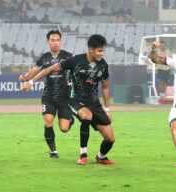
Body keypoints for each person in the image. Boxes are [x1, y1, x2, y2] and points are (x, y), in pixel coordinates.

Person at [22, 34, 115, 166]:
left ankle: (101, 157)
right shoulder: (76, 61)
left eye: (103, 51)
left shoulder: (103, 65)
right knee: (86, 116)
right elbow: (49, 69)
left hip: (94, 103)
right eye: (99, 51)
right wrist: (30, 82)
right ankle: (83, 154)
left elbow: (105, 87)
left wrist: (107, 109)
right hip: (75, 100)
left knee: (110, 139)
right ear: (90, 50)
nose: (102, 54)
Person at [19, 30, 74, 158]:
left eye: (57, 40)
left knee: (64, 128)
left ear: (61, 41)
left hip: (65, 97)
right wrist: (25, 78)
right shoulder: (44, 58)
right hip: (49, 95)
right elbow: (34, 71)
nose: (55, 43)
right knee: (48, 120)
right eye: (52, 40)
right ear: (48, 42)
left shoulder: (69, 56)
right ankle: (53, 151)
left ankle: (70, 119)